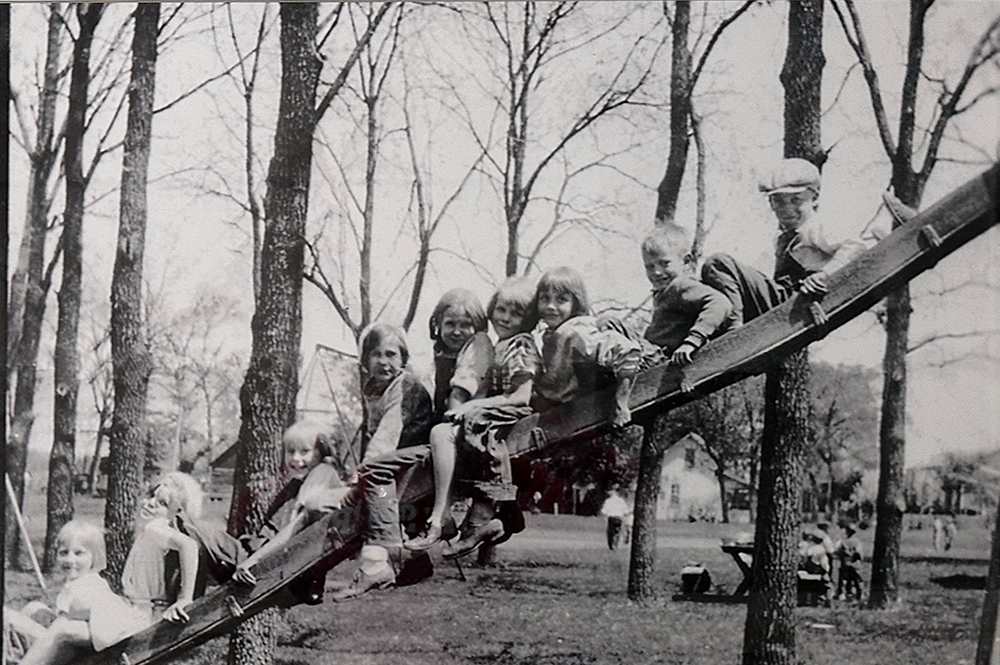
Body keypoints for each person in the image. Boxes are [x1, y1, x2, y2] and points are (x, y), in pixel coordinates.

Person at [407, 278, 540, 557]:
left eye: (516, 313)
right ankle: (442, 520)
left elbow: (519, 396)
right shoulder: (498, 345)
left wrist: (468, 408)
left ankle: (441, 516)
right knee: (431, 442)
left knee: (441, 433)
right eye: (501, 310)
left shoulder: (500, 345)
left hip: (502, 418)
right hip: (486, 416)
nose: (505, 318)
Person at [331, 323, 435, 601]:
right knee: (380, 491)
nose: (383, 361)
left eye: (391, 354)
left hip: (416, 456)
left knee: (376, 479)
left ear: (403, 359)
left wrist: (359, 480)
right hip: (397, 463)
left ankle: (386, 550)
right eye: (376, 354)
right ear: (365, 360)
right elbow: (372, 435)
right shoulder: (375, 389)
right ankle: (415, 560)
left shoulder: (405, 386)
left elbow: (385, 437)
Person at [701, 158, 867, 325]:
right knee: (707, 285)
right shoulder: (781, 239)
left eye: (796, 200)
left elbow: (856, 246)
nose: (787, 209)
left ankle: (733, 328)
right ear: (770, 204)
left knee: (718, 264)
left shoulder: (814, 227)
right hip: (782, 300)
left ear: (814, 198)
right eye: (778, 201)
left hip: (796, 299)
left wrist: (824, 275)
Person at [233, 421, 348, 603]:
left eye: (304, 452)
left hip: (299, 563)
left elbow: (298, 524)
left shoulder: (322, 472)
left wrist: (254, 559)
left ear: (320, 451)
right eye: (291, 451)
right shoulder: (304, 480)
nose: (295, 459)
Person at [4, 521, 146, 665]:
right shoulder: (81, 582)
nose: (70, 560)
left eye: (79, 553)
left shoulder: (88, 586)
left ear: (94, 558)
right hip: (87, 635)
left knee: (9, 617)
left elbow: (64, 624)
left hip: (96, 641)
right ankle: (18, 655)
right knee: (33, 608)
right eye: (64, 553)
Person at [528, 267, 643, 429]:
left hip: (593, 399)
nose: (550, 306)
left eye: (561, 300)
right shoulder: (551, 335)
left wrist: (621, 402)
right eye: (545, 299)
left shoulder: (576, 331)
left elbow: (628, 352)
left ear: (576, 303)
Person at [640, 224, 737, 367]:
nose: (657, 272)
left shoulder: (680, 285)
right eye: (650, 266)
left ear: (685, 261)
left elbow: (720, 303)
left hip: (658, 357)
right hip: (651, 350)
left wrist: (693, 340)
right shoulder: (664, 292)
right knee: (609, 325)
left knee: (609, 336)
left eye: (664, 263)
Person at [121, 472, 205, 624]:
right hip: (140, 609)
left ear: (176, 512)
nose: (151, 503)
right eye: (152, 495)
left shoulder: (155, 527)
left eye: (163, 503)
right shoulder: (149, 530)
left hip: (144, 616)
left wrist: (185, 598)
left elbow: (189, 545)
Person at [836, 523, 863, 601]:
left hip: (845, 563)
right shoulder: (858, 542)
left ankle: (842, 594)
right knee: (856, 580)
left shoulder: (844, 542)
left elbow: (839, 552)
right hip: (855, 564)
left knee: (843, 579)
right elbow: (860, 554)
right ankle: (858, 594)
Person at [600, 487, 631, 551]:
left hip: (612, 518)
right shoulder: (621, 501)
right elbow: (626, 511)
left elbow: (603, 511)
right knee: (618, 531)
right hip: (619, 518)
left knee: (611, 532)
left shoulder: (608, 501)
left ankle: (612, 545)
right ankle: (616, 544)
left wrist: (605, 518)